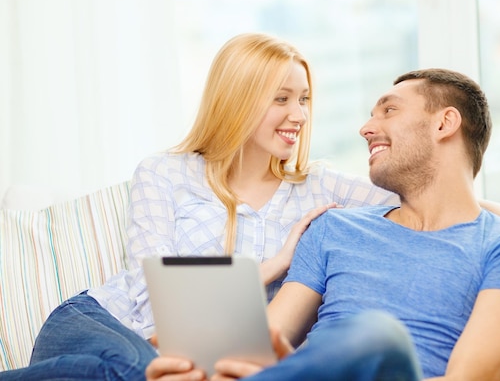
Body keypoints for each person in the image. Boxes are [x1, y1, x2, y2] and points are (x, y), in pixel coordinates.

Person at [0, 33, 397, 380]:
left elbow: (416, 200)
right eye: (282, 99)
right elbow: (151, 301)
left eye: (304, 99)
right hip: (100, 323)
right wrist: (270, 269)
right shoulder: (165, 173)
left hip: (193, 364)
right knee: (153, 374)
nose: (300, 115)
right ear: (238, 101)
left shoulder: (321, 187)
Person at [146, 68, 500, 381]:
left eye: (389, 110)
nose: (366, 128)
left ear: (444, 124)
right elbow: (266, 340)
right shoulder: (335, 229)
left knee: (376, 334)